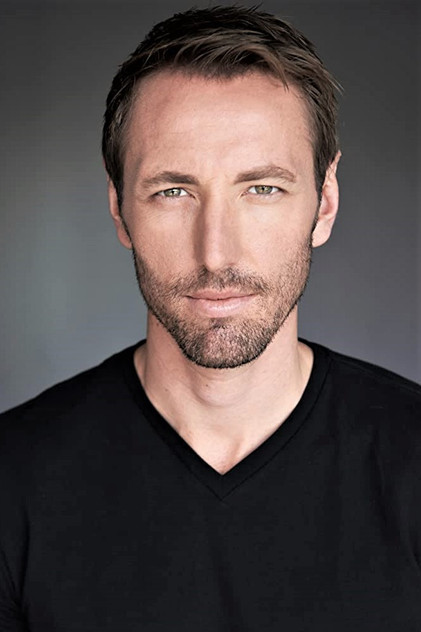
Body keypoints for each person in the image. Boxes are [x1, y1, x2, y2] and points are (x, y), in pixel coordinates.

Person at [1, 5, 420, 630]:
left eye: (262, 189)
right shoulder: (13, 480)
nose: (216, 254)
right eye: (173, 191)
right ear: (119, 208)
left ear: (325, 202)